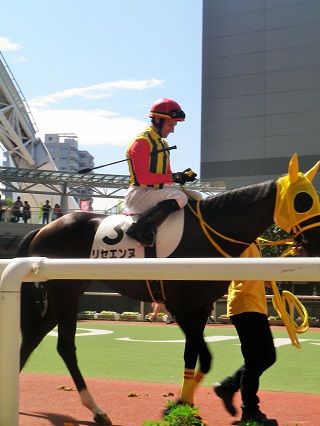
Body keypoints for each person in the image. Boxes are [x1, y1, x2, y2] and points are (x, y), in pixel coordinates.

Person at [213, 244, 278, 426]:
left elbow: (260, 276)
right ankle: (249, 411)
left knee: (268, 358)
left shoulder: (253, 240)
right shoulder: (242, 237)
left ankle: (228, 386)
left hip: (255, 305)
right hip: (245, 304)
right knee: (255, 361)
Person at [125, 98, 201, 247]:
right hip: (138, 195)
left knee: (197, 196)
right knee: (179, 197)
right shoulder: (141, 142)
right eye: (170, 124)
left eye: (174, 125)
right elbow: (142, 177)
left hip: (154, 193)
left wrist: (180, 176)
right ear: (158, 120)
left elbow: (166, 177)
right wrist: (173, 177)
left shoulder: (163, 143)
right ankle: (139, 228)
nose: (172, 129)